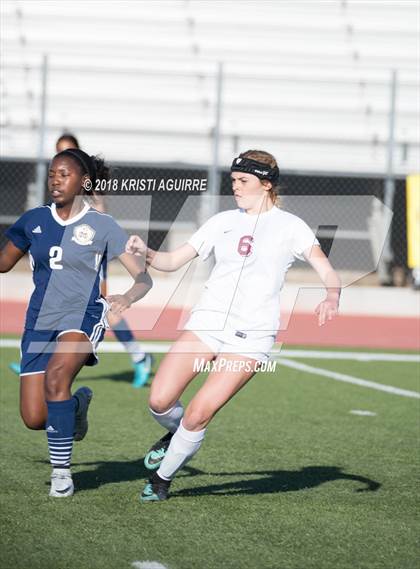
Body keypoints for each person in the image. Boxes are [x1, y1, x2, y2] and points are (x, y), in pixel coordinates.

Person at [126, 149, 341, 502]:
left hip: (252, 336)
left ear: (266, 184)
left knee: (198, 413)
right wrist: (146, 252)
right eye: (233, 181)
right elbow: (172, 261)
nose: (236, 188)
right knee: (160, 400)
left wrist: (332, 295)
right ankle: (176, 436)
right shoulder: (222, 221)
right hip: (206, 323)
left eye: (243, 181)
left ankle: (161, 480)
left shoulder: (291, 226)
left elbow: (325, 267)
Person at [0, 148, 152, 497]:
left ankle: (62, 475)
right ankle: (77, 405)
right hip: (40, 320)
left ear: (83, 182)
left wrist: (127, 298)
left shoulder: (102, 225)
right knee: (35, 418)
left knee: (57, 377)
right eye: (52, 173)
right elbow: (4, 262)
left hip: (82, 316)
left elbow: (144, 279)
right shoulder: (34, 219)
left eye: (64, 174)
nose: (56, 180)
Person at [9, 132, 154, 387]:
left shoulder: (89, 189)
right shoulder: (58, 191)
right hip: (68, 255)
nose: (57, 177)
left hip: (88, 253)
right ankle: (38, 360)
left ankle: (139, 356)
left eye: (65, 150)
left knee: (106, 309)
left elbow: (98, 215)